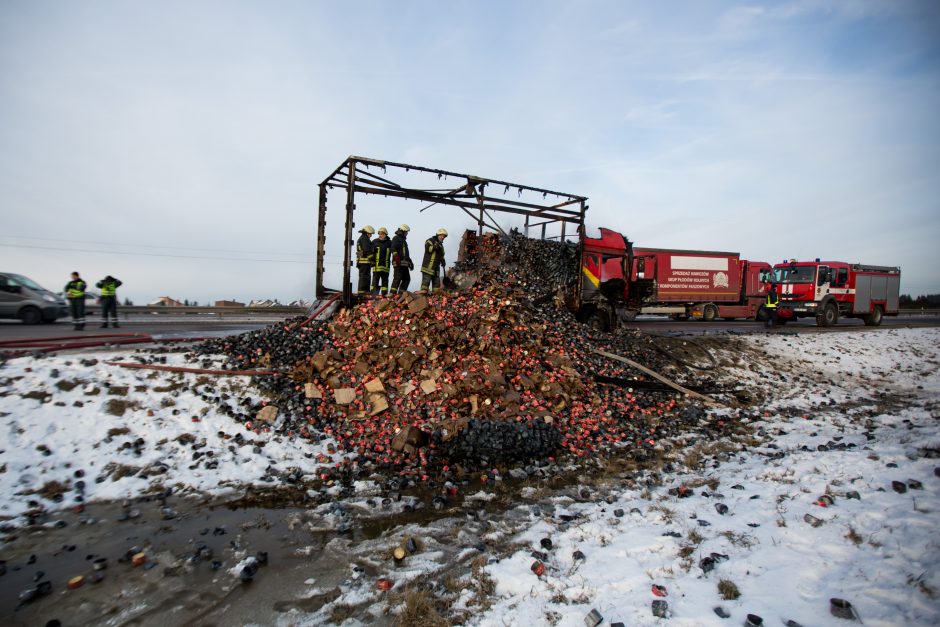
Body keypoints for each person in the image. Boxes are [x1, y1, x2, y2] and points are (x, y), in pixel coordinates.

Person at [390, 224, 413, 294]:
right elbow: (393, 249)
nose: (407, 233)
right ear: (402, 231)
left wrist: (410, 262)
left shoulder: (404, 241)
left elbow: (406, 254)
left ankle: (400, 294)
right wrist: (396, 258)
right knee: (397, 279)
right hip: (398, 263)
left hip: (404, 264)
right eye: (406, 232)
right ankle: (392, 294)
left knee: (407, 279)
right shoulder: (396, 238)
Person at [371, 227, 392, 295]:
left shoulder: (390, 243)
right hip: (376, 266)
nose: (380, 235)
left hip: (386, 267)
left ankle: (384, 296)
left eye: (382, 234)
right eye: (379, 234)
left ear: (385, 234)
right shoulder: (374, 242)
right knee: (375, 281)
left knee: (385, 282)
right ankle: (373, 295)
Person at [356, 225, 376, 294]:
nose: (371, 235)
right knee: (365, 277)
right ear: (367, 233)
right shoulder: (365, 239)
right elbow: (367, 250)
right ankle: (363, 292)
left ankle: (363, 291)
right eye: (370, 234)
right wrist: (372, 260)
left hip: (362, 262)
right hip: (365, 262)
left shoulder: (361, 238)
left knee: (364, 276)